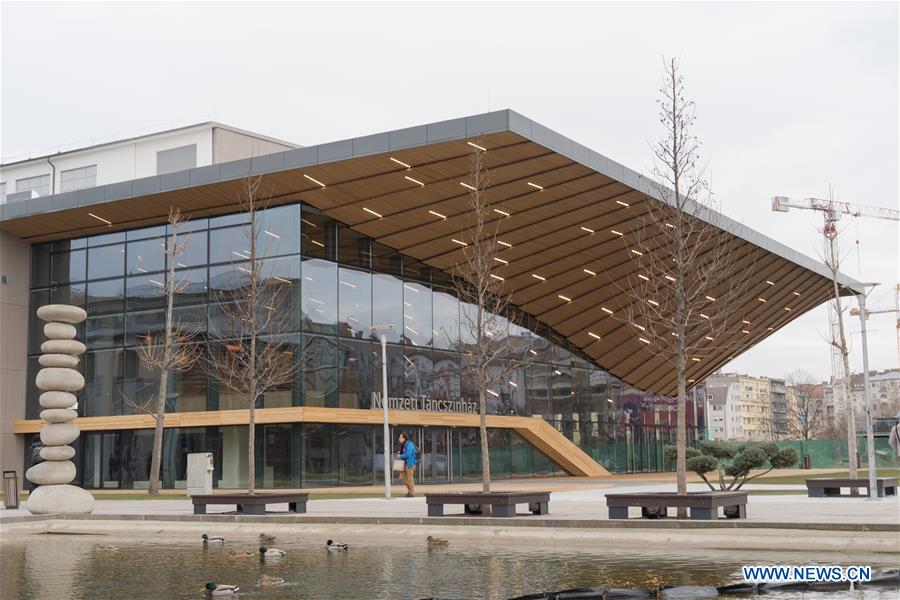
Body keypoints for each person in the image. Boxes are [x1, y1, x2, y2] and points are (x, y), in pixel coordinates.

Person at [396, 432, 417, 497]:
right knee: (402, 477)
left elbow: (409, 454)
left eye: (401, 437)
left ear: (404, 438)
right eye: (399, 437)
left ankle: (411, 493)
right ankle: (410, 491)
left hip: (410, 464)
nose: (399, 438)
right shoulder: (402, 445)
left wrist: (400, 456)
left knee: (410, 478)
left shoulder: (409, 444)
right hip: (403, 464)